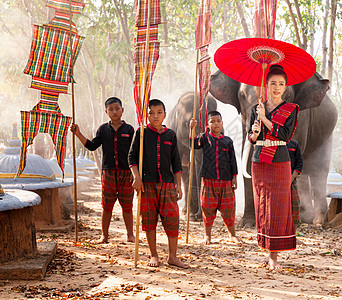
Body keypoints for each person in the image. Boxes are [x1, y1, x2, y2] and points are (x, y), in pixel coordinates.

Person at [249, 64, 299, 270]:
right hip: (259, 159)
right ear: (266, 85)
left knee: (277, 206)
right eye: (272, 83)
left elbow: (285, 135)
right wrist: (254, 132)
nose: (277, 87)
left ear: (286, 87)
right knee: (262, 205)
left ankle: (274, 256)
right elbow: (251, 138)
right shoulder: (256, 108)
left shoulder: (291, 109)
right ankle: (266, 247)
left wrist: (264, 120)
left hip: (279, 159)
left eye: (281, 84)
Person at [128, 99, 188, 268]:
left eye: (159, 112)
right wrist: (136, 177)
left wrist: (178, 184)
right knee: (148, 219)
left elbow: (176, 161)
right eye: (151, 113)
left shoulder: (171, 135)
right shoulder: (141, 133)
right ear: (146, 115)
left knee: (172, 219)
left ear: (165, 115)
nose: (155, 116)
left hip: (168, 184)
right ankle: (154, 255)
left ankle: (173, 257)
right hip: (146, 184)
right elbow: (132, 157)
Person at [70, 97, 135, 244]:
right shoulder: (103, 129)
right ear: (106, 112)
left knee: (127, 205)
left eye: (117, 108)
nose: (114, 111)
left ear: (122, 110)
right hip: (108, 173)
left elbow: (135, 152)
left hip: (127, 173)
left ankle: (130, 235)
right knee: (107, 206)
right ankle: (104, 236)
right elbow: (92, 146)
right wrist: (78, 134)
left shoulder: (129, 130)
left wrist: (134, 172)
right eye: (111, 109)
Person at [189, 111, 241, 245]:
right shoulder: (204, 138)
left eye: (218, 121)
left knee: (229, 208)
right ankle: (207, 236)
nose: (216, 124)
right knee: (207, 208)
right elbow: (193, 145)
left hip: (226, 180)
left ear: (222, 123)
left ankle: (232, 234)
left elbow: (232, 161)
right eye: (212, 121)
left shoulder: (227, 141)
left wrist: (234, 177)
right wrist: (192, 129)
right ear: (207, 124)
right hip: (208, 179)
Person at [287, 139, 303, 228]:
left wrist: (291, 178)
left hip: (291, 182)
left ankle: (293, 234)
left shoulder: (294, 144)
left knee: (295, 207)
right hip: (277, 182)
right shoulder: (274, 144)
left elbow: (299, 163)